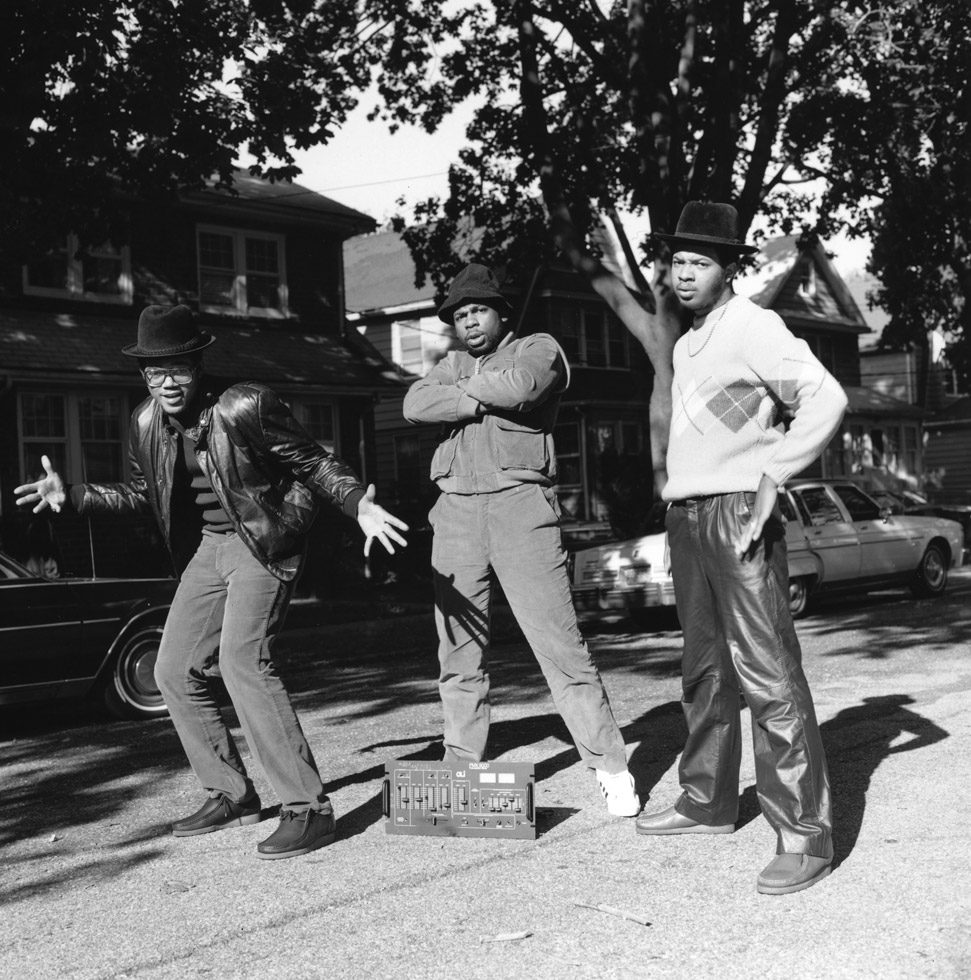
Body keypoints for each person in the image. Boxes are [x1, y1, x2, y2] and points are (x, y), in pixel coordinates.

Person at [15, 304, 408, 860]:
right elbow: (139, 494)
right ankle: (231, 794)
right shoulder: (145, 421)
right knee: (173, 669)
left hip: (261, 539)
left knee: (243, 661)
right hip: (207, 549)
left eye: (177, 368)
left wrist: (354, 504)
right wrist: (73, 496)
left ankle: (308, 808)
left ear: (198, 363)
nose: (166, 382)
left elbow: (313, 462)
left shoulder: (244, 403)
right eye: (154, 372)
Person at [632, 202, 848, 895]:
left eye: (699, 262)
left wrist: (772, 475)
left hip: (737, 516)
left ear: (729, 268)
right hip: (689, 516)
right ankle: (706, 800)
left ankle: (804, 836)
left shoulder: (755, 325)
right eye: (676, 261)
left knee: (766, 671)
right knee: (703, 670)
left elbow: (824, 397)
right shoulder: (686, 342)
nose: (683, 273)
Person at [402, 264, 638, 817]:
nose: (469, 323)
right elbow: (414, 404)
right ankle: (463, 763)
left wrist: (458, 395)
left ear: (501, 312)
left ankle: (612, 767)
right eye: (460, 316)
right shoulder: (452, 363)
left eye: (478, 311)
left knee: (559, 646)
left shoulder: (538, 346)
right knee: (457, 652)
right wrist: (478, 394)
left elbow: (525, 385)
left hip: (519, 506)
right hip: (454, 511)